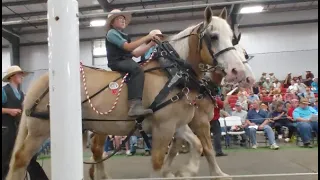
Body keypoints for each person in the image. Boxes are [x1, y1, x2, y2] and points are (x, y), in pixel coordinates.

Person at [105, 9, 161, 117]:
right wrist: (148, 37)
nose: (122, 20)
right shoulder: (112, 33)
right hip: (117, 61)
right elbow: (128, 47)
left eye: (123, 19)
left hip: (126, 60)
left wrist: (150, 44)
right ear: (112, 22)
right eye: (119, 18)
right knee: (137, 69)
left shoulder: (123, 35)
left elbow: (135, 53)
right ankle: (134, 106)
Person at [2, 66, 49, 180]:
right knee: (5, 159)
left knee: (28, 157)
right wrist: (9, 111)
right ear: (12, 76)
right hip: (7, 130)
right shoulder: (4, 91)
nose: (22, 77)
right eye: (19, 74)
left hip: (19, 129)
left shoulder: (21, 93)